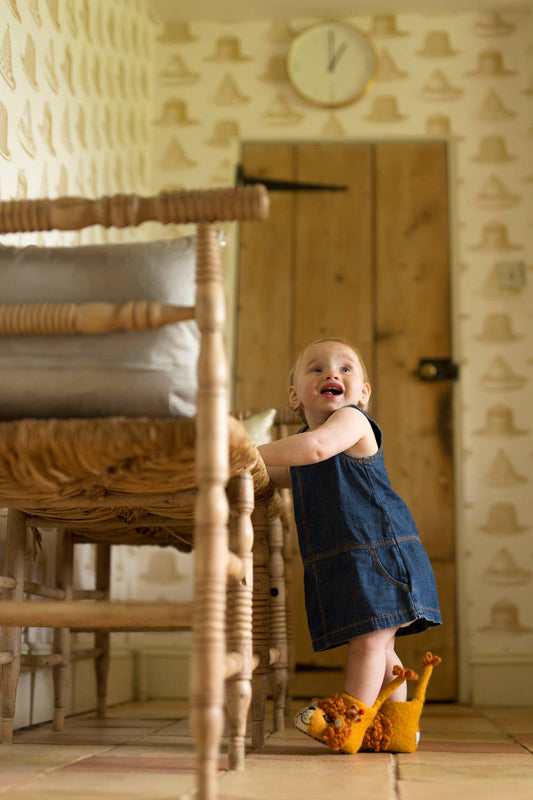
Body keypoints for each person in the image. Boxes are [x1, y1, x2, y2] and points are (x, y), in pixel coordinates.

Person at [258, 337, 442, 753]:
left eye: (345, 369)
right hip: (353, 559)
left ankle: (346, 723)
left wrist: (240, 453)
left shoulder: (351, 422)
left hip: (381, 554)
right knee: (383, 648)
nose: (332, 373)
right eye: (316, 368)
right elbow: (280, 474)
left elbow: (315, 448)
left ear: (363, 393)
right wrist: (240, 472)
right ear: (294, 395)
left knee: (369, 644)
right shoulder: (305, 445)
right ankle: (396, 727)